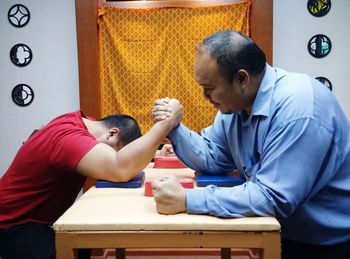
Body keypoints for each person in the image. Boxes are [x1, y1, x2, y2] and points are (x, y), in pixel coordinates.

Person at [151, 30, 350, 259]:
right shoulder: (234, 108)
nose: (205, 97)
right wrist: (174, 127)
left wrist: (187, 200)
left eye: (209, 89)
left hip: (331, 243)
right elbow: (212, 157)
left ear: (242, 79)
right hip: (282, 231)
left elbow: (272, 197)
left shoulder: (299, 108)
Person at [0, 103, 180, 259]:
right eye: (116, 150)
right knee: (76, 244)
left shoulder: (83, 125)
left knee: (81, 244)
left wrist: (155, 154)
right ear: (112, 133)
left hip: (38, 220)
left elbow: (115, 158)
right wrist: (165, 125)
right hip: (14, 224)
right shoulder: (68, 137)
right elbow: (119, 168)